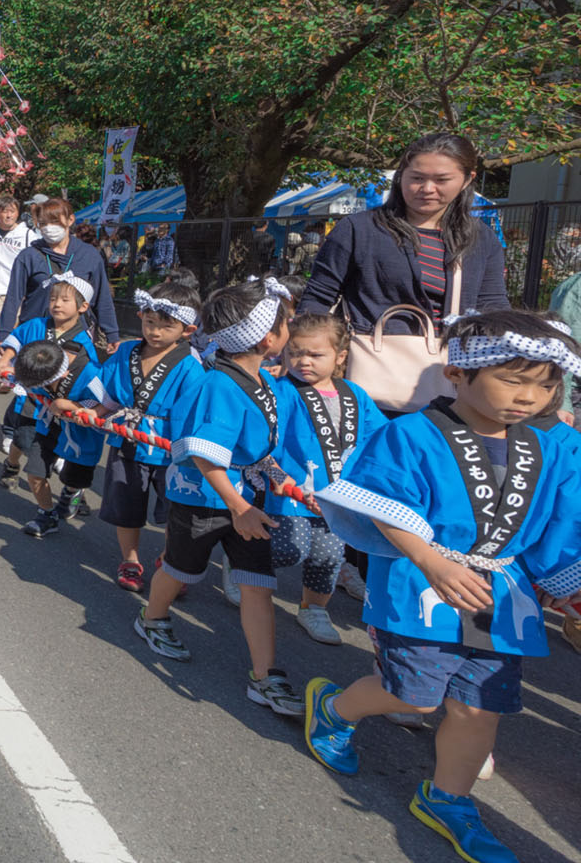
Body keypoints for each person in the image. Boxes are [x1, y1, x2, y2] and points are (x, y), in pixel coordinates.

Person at [306, 311, 581, 863]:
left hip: (503, 592)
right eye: (513, 380)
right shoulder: (411, 433)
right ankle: (334, 709)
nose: (530, 397)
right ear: (459, 373)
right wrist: (432, 561)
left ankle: (447, 798)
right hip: (422, 581)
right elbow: (384, 504)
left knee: (482, 705)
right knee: (413, 692)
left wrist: (568, 587)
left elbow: (563, 521)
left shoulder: (554, 446)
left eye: (546, 385)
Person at [133, 279, 306, 719]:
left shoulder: (262, 378)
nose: (291, 329)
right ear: (269, 338)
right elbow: (205, 456)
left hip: (248, 500)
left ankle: (266, 675)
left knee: (258, 585)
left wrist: (276, 479)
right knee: (181, 569)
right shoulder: (221, 385)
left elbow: (257, 449)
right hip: (208, 498)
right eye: (287, 323)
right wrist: (241, 508)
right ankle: (152, 618)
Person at [300, 133, 509, 334]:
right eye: (417, 178)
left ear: (467, 179)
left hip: (450, 364)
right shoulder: (358, 229)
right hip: (372, 361)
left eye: (442, 180)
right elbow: (318, 298)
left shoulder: (482, 239)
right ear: (401, 176)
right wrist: (305, 351)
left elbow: (493, 308)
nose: (427, 188)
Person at [270, 313, 384, 644]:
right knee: (289, 549)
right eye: (295, 353)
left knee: (329, 557)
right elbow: (269, 437)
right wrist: (275, 472)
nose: (303, 361)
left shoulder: (355, 394)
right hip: (293, 491)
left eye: (315, 355)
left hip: (338, 497)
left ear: (340, 356)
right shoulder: (283, 391)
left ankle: (313, 608)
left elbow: (378, 436)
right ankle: (241, 565)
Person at [96, 283, 205, 592]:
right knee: (126, 505)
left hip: (170, 450)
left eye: (166, 326)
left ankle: (170, 561)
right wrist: (94, 412)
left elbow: (193, 414)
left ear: (188, 329)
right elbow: (107, 394)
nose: (155, 332)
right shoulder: (127, 351)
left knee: (175, 511)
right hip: (127, 439)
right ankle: (130, 560)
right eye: (149, 323)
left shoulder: (190, 366)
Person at [9, 337, 110, 539]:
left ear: (63, 373)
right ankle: (46, 514)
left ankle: (73, 491)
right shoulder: (39, 362)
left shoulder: (92, 375)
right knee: (35, 472)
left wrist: (71, 406)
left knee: (74, 477)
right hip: (49, 425)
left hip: (82, 433)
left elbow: (108, 407)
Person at [0, 196, 120, 344]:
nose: (49, 227)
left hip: (76, 336)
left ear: (70, 220)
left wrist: (111, 332)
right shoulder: (28, 256)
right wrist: (3, 333)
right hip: (35, 334)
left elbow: (102, 297)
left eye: (55, 221)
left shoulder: (89, 255)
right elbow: (13, 297)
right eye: (43, 223)